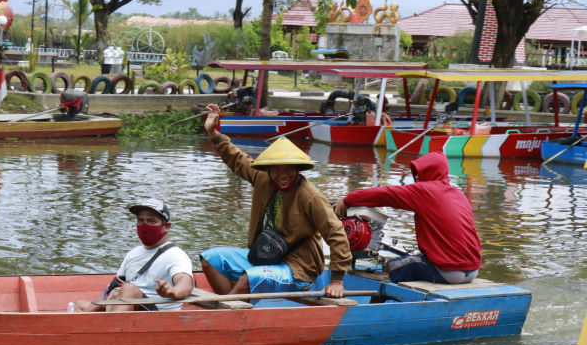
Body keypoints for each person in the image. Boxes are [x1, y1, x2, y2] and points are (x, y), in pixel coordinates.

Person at [199, 103, 352, 300]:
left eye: (288, 169)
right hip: (264, 256)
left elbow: (336, 233)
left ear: (297, 169)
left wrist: (337, 279)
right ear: (269, 170)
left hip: (298, 268)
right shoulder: (263, 178)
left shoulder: (310, 196)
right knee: (210, 260)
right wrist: (213, 133)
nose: (282, 175)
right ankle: (236, 309)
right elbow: (237, 159)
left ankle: (233, 311)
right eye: (276, 169)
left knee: (247, 280)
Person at [332, 151, 481, 284]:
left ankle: (377, 306)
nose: (416, 177)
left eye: (419, 173)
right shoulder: (459, 194)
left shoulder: (424, 191)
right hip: (472, 270)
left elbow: (384, 194)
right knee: (411, 260)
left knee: (390, 266)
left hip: (447, 271)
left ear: (428, 171)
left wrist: (347, 200)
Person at [75, 199, 194, 312]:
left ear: (166, 227)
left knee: (129, 289)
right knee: (78, 304)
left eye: (151, 221)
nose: (144, 225)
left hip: (156, 313)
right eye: (140, 220)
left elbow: (185, 281)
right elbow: (111, 288)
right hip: (125, 305)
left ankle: (111, 329)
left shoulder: (175, 255)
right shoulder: (133, 254)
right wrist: (85, 314)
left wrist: (174, 291)